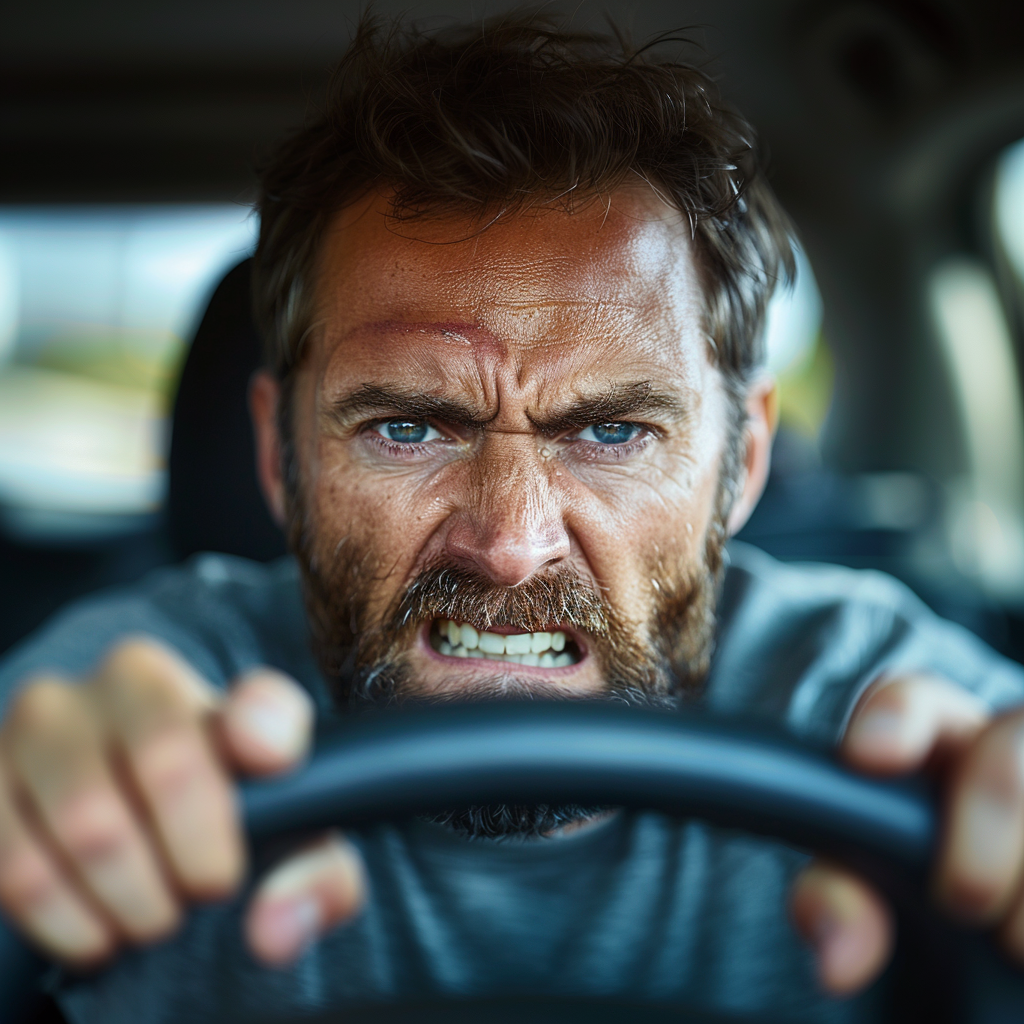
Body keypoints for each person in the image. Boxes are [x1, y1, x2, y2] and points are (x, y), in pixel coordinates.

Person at [1, 14, 1023, 1023]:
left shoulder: (877, 704)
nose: (506, 544)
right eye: (407, 427)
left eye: (613, 432)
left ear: (742, 462)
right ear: (278, 453)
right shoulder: (148, 694)